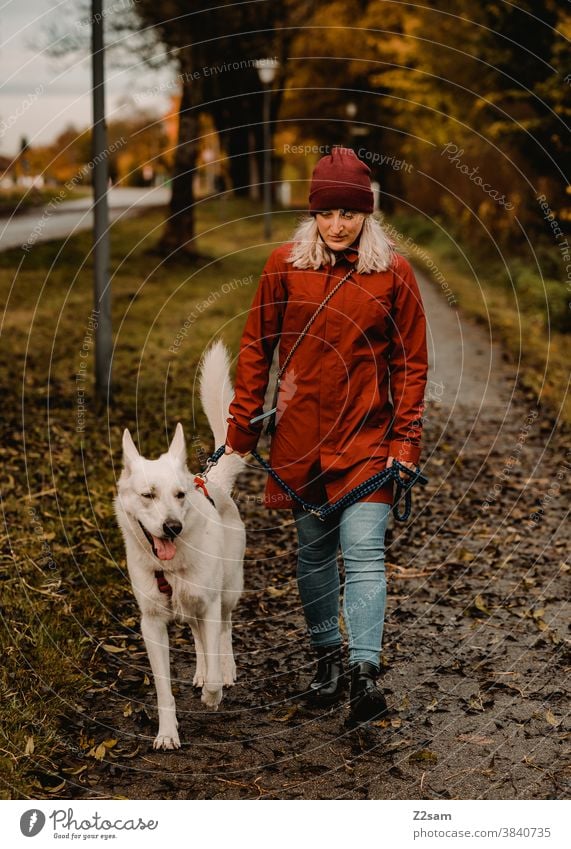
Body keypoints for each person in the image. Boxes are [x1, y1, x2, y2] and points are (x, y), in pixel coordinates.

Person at [224, 147, 428, 726]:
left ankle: (365, 673)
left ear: (368, 214)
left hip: (369, 440)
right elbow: (255, 348)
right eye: (327, 213)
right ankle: (326, 658)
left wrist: (405, 442)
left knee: (364, 553)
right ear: (312, 213)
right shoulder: (283, 265)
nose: (338, 225)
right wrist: (241, 431)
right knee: (314, 554)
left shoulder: (395, 274)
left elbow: (412, 363)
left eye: (349, 213)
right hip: (301, 441)